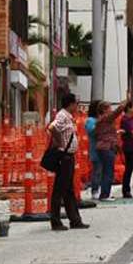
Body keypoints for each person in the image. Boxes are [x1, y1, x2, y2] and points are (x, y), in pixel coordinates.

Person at [48, 94, 89, 231]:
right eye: (76, 104)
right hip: (64, 156)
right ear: (70, 104)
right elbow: (52, 128)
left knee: (68, 190)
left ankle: (75, 219)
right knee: (59, 189)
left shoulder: (68, 117)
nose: (77, 107)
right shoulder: (62, 116)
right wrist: (60, 142)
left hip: (69, 156)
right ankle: (56, 221)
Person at [94, 99, 129, 201]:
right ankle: (105, 194)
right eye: (109, 108)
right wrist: (122, 105)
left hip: (103, 147)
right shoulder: (105, 118)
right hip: (106, 147)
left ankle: (105, 193)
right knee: (108, 172)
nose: (111, 110)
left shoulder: (101, 120)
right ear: (104, 110)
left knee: (106, 171)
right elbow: (115, 113)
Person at [85, 101, 101, 201]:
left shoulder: (99, 119)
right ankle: (95, 190)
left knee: (101, 170)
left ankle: (100, 189)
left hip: (102, 148)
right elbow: (92, 132)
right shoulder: (90, 120)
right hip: (96, 149)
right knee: (97, 171)